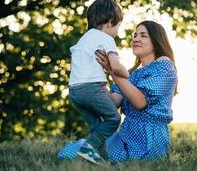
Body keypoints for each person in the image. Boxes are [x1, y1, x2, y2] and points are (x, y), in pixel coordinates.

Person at [58, 20, 177, 164]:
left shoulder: (164, 65)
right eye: (135, 35)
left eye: (143, 35)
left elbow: (140, 102)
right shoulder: (130, 74)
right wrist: (93, 79)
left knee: (112, 158)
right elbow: (113, 102)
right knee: (70, 151)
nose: (136, 39)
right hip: (125, 135)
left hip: (149, 137)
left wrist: (112, 71)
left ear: (156, 40)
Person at [66, 0, 129, 164]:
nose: (117, 31)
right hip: (91, 89)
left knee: (96, 127)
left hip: (74, 91)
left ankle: (99, 158)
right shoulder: (106, 39)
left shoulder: (84, 38)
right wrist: (127, 74)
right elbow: (115, 66)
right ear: (109, 23)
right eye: (118, 26)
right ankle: (88, 148)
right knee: (113, 119)